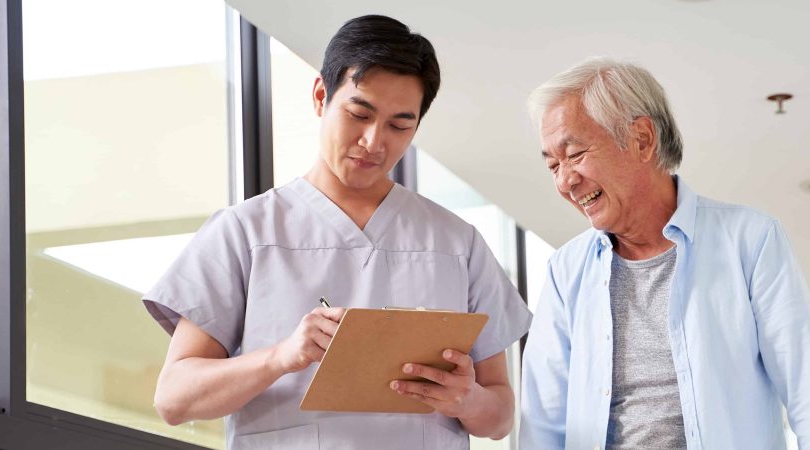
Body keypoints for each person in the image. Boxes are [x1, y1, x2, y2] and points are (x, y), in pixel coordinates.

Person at [143, 15, 531, 449]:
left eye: (399, 126)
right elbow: (174, 398)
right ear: (320, 96)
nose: (373, 142)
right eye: (359, 114)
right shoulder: (244, 232)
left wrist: (466, 399)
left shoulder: (458, 243)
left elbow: (499, 417)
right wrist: (282, 357)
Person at [519, 58, 810, 450]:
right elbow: (543, 421)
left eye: (574, 154)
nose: (565, 181)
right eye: (553, 166)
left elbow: (808, 392)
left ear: (642, 139)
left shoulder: (750, 239)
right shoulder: (566, 269)